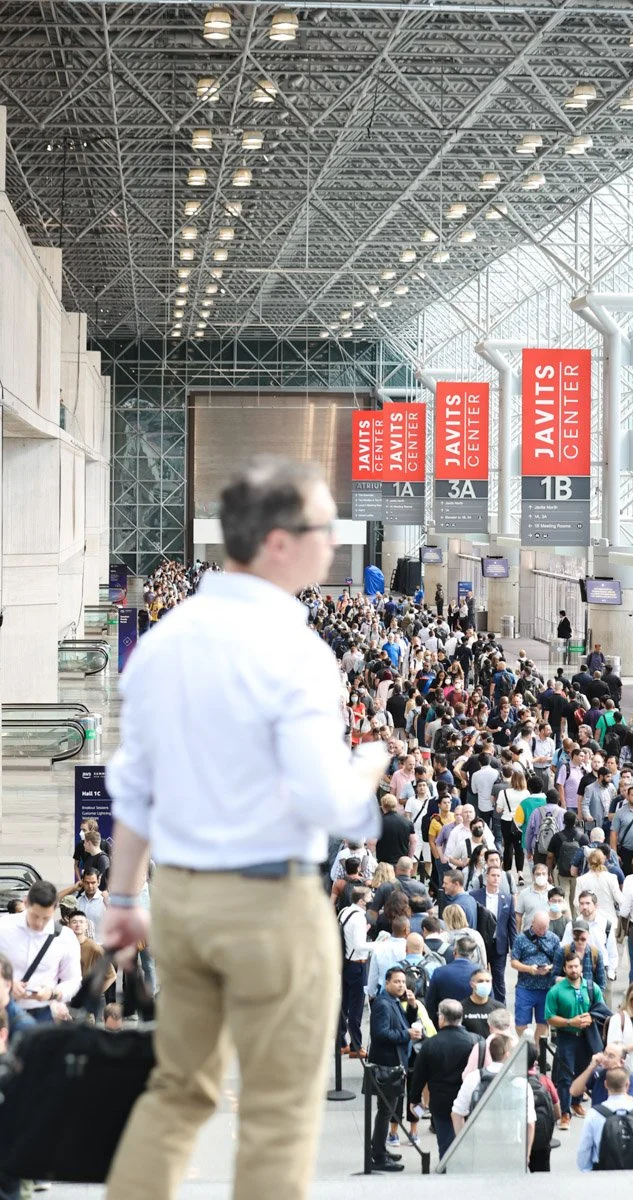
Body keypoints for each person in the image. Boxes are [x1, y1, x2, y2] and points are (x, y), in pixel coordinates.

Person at [103, 456, 388, 1200]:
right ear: (278, 542)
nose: (335, 541)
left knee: (176, 1092)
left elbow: (135, 786)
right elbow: (328, 802)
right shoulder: (295, 652)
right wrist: (368, 771)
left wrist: (124, 901)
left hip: (183, 902)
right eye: (324, 527)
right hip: (270, 907)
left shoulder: (162, 642)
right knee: (277, 1114)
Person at [0, 880, 82, 1023]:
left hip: (44, 1012)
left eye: (46, 918)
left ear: (55, 909)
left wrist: (53, 993)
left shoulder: (65, 938)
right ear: (26, 903)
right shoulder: (4, 927)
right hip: (5, 1009)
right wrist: (8, 985)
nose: (39, 923)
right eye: (35, 916)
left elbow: (73, 980)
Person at [368, 966, 422, 1172]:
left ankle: (379, 1150)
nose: (401, 985)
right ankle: (378, 1155)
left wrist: (412, 1006)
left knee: (387, 1110)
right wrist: (406, 1035)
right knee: (385, 1112)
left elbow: (402, 1023)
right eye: (397, 982)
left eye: (403, 982)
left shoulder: (394, 1002)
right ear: (387, 983)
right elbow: (380, 1034)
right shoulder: (383, 1004)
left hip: (395, 1064)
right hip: (387, 1067)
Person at [409, 998, 478, 1159]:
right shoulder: (475, 1041)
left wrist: (415, 1100)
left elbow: (419, 1076)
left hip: (441, 1103)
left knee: (446, 1145)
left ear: (442, 1018)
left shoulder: (430, 1045)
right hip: (470, 1101)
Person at [545, 951, 605, 1131]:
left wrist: (590, 1019)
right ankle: (565, 1112)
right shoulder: (556, 991)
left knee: (583, 1072)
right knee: (565, 1076)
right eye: (570, 966)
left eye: (576, 966)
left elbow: (601, 1011)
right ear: (564, 968)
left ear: (581, 967)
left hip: (587, 1037)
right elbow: (549, 1017)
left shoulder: (592, 987)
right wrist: (570, 1022)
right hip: (567, 1037)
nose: (573, 969)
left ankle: (577, 1102)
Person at [576, 1066, 633, 1172]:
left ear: (605, 1084)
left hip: (601, 1173)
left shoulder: (594, 1114)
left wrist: (587, 1170)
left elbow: (584, 1149)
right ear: (628, 1085)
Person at [510, 911, 561, 1041]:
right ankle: (528, 1045)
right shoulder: (521, 939)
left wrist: (549, 968)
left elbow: (559, 962)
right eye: (539, 928)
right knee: (520, 1024)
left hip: (546, 988)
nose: (542, 931)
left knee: (543, 1023)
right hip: (525, 986)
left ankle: (538, 1051)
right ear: (532, 923)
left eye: (545, 928)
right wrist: (528, 969)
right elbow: (514, 962)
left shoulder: (553, 939)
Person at [472, 865, 516, 1002]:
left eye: (498, 876)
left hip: (499, 944)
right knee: (479, 976)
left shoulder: (507, 899)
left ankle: (500, 1009)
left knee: (499, 979)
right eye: (493, 875)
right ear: (486, 877)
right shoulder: (475, 896)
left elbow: (511, 924)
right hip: (480, 944)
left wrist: (514, 948)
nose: (496, 878)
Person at [338, 885, 372, 1058]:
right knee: (356, 1007)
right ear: (361, 901)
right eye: (368, 897)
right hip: (357, 963)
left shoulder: (345, 911)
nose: (371, 899)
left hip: (345, 962)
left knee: (344, 1005)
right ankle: (356, 1046)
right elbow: (359, 945)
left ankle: (341, 1043)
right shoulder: (358, 917)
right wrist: (378, 945)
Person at [459, 966, 502, 1040]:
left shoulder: (499, 1008)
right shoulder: (460, 1008)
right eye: (480, 981)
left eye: (488, 981)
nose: (484, 984)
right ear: (472, 984)